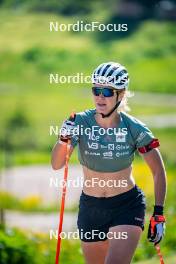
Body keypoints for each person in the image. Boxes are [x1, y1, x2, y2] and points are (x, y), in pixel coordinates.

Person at [51, 62, 167, 264]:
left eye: (107, 91)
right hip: (91, 207)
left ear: (120, 95)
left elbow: (158, 171)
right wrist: (62, 139)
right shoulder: (79, 122)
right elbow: (57, 164)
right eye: (96, 90)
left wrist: (158, 214)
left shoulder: (134, 128)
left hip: (126, 205)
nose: (100, 97)